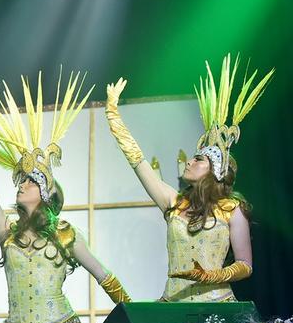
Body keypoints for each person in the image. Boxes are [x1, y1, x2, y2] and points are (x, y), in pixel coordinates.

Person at [0, 72, 130, 323]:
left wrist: (134, 312)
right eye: (21, 182)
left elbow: (102, 274)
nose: (21, 186)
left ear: (45, 193)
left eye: (30, 182)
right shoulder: (8, 232)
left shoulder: (64, 234)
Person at [104, 54, 273, 302]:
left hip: (217, 305)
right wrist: (113, 116)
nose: (191, 161)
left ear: (216, 171)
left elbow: (245, 265)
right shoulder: (173, 201)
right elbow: (138, 162)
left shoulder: (232, 210)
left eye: (199, 159)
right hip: (173, 304)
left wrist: (211, 275)